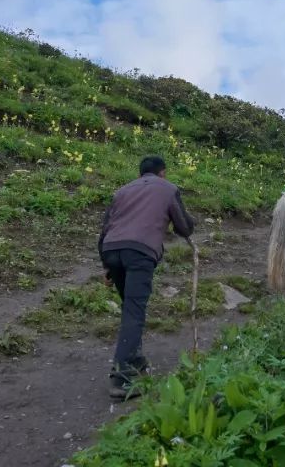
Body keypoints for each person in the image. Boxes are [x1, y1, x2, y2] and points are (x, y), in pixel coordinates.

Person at [98, 155, 194, 399]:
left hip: (111, 250)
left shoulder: (122, 190)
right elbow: (184, 228)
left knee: (129, 306)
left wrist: (107, 266)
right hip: (140, 252)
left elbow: (105, 228)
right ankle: (121, 378)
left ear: (140, 173)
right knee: (134, 311)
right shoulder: (168, 188)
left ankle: (136, 357)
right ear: (162, 173)